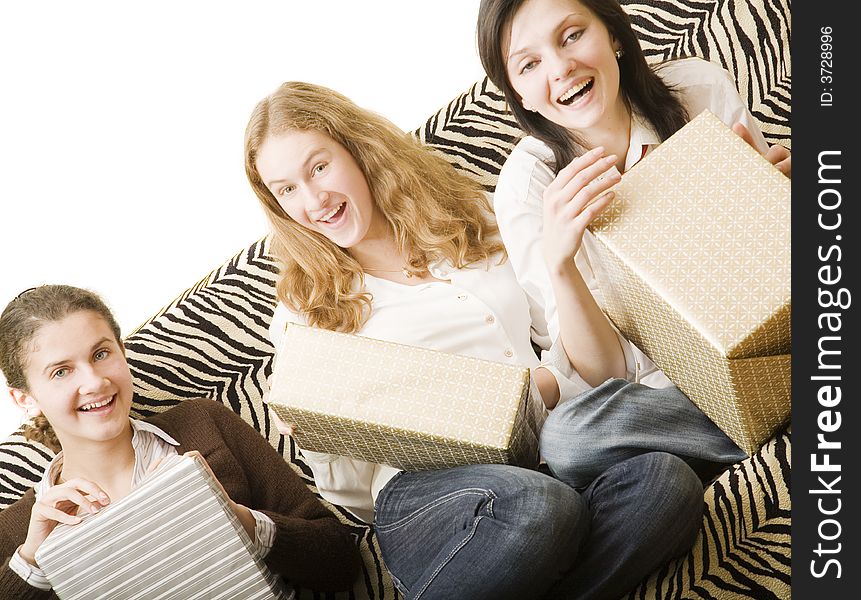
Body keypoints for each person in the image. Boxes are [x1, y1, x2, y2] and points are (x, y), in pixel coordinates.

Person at [244, 81, 742, 599]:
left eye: (318, 167)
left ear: (358, 149)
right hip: (430, 502)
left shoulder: (473, 217)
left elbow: (573, 351)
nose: (313, 199)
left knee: (666, 484)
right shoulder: (305, 313)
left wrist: (545, 384)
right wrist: (315, 434)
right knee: (536, 506)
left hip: (546, 456)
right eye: (287, 189)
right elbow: (351, 495)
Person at [475, 0, 791, 396]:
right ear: (520, 97)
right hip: (663, 396)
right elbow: (608, 374)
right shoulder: (527, 186)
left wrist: (776, 198)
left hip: (764, 338)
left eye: (572, 36)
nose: (560, 68)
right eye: (529, 65)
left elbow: (782, 269)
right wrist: (560, 265)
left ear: (612, 34)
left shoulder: (699, 91)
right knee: (572, 436)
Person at [0, 285, 361, 599]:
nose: (94, 381)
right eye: (61, 371)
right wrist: (33, 562)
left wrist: (236, 519)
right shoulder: (20, 531)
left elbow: (340, 564)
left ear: (122, 353)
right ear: (25, 398)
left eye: (101, 354)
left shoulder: (203, 425)